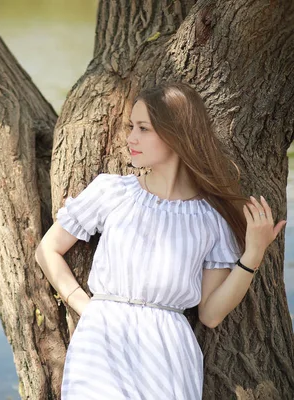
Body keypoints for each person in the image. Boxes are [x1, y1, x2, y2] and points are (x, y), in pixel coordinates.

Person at [34, 82, 287, 400]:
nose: (130, 138)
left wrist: (253, 253)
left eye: (143, 128)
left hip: (167, 351)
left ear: (176, 134)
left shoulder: (210, 218)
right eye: (131, 127)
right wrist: (86, 308)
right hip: (101, 341)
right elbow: (47, 249)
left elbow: (210, 314)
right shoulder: (112, 191)